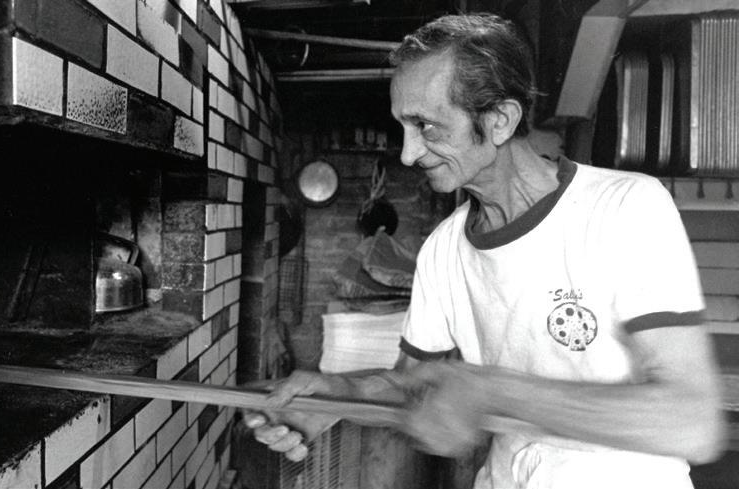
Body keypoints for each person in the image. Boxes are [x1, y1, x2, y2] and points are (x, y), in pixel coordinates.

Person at [243, 13, 725, 489]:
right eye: (403, 127)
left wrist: (489, 389)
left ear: (500, 121)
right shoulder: (444, 249)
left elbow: (691, 422)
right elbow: (410, 384)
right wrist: (332, 396)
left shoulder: (624, 207)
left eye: (426, 126)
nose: (408, 153)